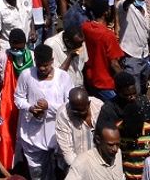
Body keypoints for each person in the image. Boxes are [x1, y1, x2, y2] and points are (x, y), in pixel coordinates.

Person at [15, 44, 74, 180]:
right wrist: (30, 108)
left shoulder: (63, 77)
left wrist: (49, 106)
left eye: (46, 65)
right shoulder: (26, 75)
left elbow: (69, 105)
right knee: (37, 174)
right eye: (39, 64)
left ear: (52, 61)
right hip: (33, 135)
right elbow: (18, 97)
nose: (42, 69)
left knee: (62, 170)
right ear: (34, 60)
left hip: (57, 134)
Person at [55, 87, 105, 169]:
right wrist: (80, 170)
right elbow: (67, 150)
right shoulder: (63, 114)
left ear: (88, 103)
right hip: (75, 164)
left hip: (99, 161)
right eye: (75, 110)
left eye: (82, 110)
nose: (78, 113)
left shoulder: (99, 106)